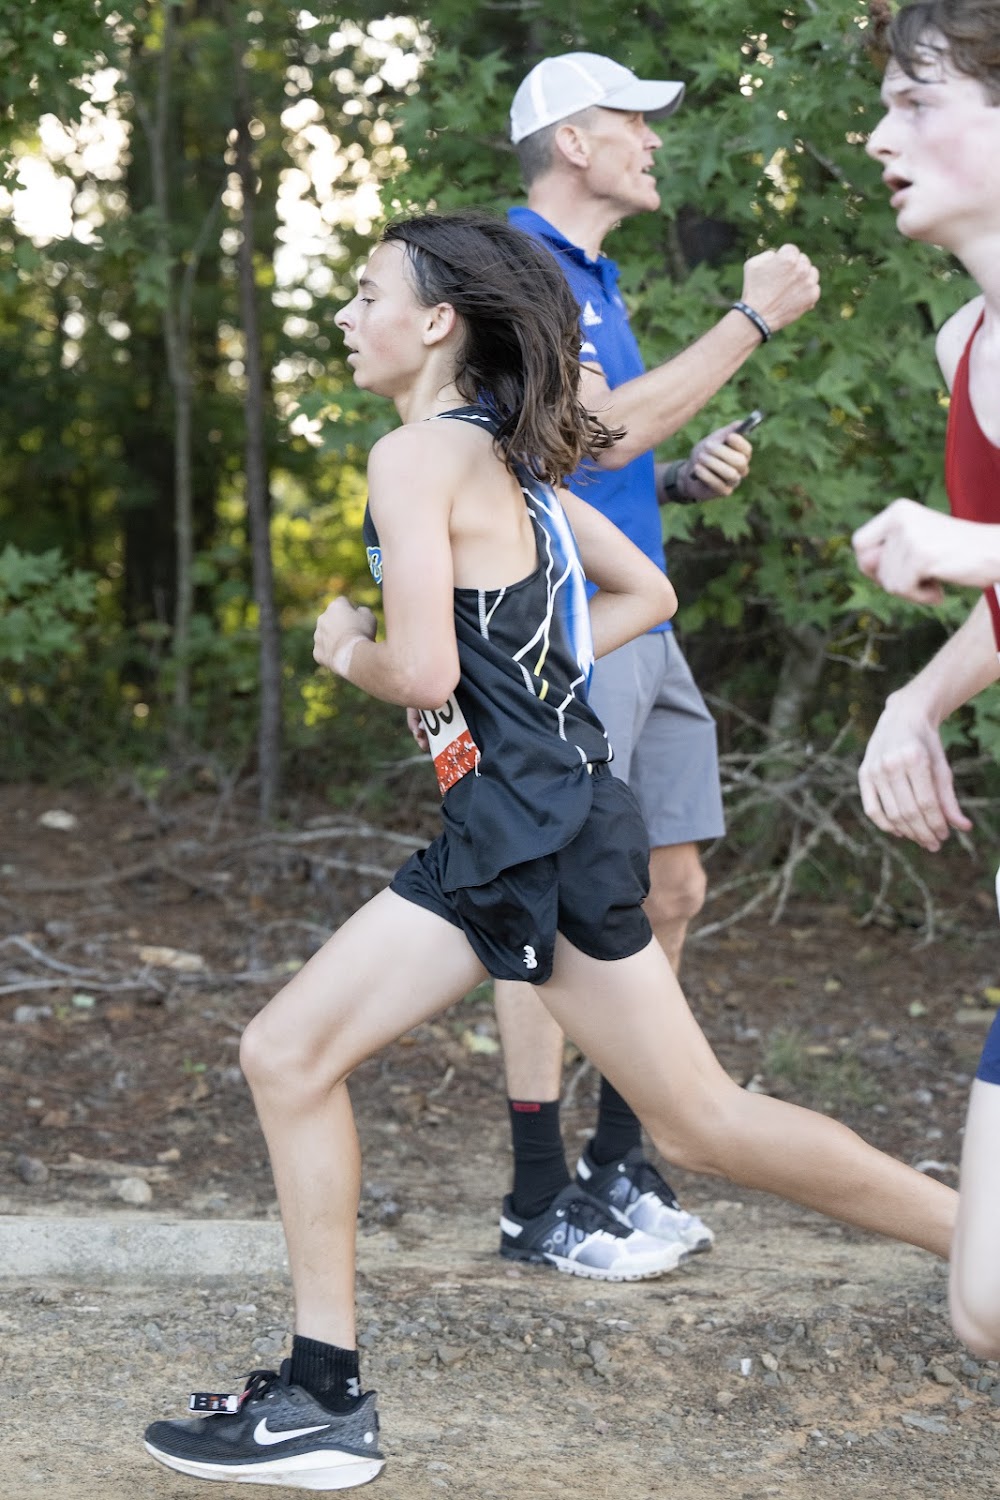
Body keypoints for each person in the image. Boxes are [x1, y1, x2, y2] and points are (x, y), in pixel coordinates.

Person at [144, 211, 956, 1492]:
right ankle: (321, 1396)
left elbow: (419, 669)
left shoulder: (417, 455)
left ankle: (322, 1401)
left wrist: (346, 649)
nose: (347, 316)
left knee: (683, 1120)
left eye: (365, 293)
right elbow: (648, 594)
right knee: (320, 1059)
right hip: (536, 817)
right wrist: (520, 685)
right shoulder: (510, 463)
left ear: (435, 322)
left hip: (529, 828)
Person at [490, 51, 822, 1275]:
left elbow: (576, 460)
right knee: (544, 898)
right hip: (567, 629)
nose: (652, 139)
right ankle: (535, 1196)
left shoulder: (593, 277)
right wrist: (750, 319)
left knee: (670, 885)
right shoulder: (520, 267)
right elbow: (596, 431)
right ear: (573, 142)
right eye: (631, 121)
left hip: (643, 619)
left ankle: (619, 1163)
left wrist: (677, 482)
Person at [851, 0, 1000, 1358]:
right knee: (986, 1299)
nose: (878, 137)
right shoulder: (965, 344)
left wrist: (979, 544)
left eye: (916, 101)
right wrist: (917, 700)